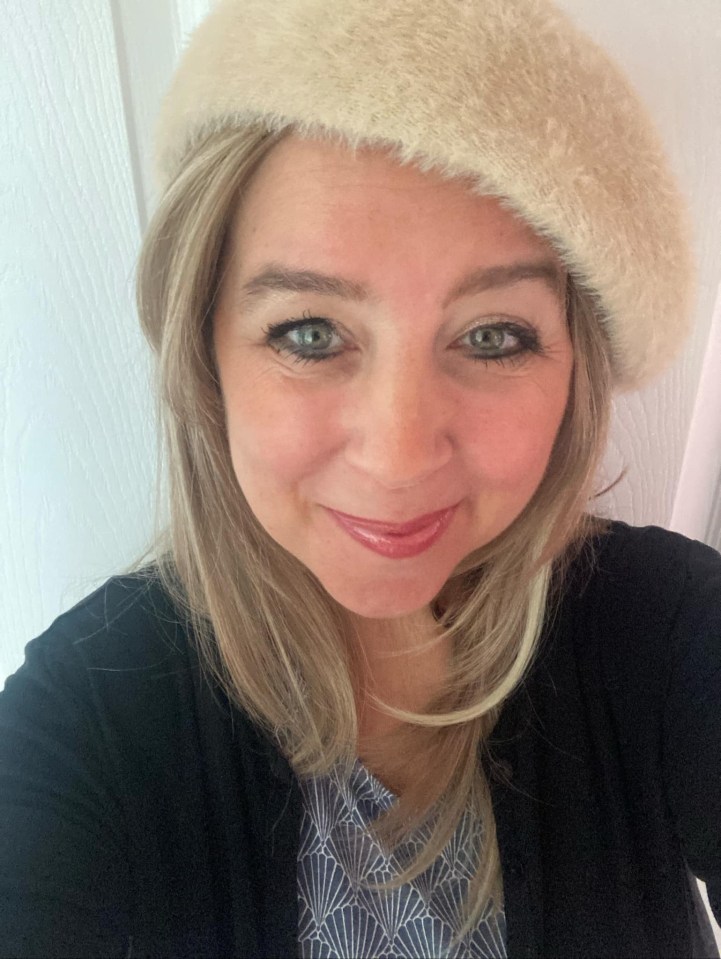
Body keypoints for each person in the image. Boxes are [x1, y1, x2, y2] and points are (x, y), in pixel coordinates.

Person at [1, 0, 719, 956]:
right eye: (308, 332)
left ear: (574, 371)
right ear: (206, 359)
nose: (397, 453)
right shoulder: (87, 717)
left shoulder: (666, 631)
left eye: (493, 336)